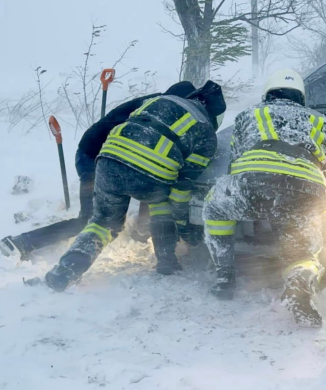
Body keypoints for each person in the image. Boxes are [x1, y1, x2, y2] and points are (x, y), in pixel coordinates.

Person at [44, 80, 226, 291]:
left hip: (107, 162)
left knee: (103, 223)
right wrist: (184, 226)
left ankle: (67, 270)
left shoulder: (157, 101)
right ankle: (167, 261)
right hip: (150, 175)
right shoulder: (206, 133)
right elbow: (181, 189)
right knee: (161, 202)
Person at [203, 69, 326, 327]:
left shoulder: (249, 115)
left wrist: (249, 198)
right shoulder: (323, 121)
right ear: (300, 96)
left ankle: (224, 275)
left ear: (267, 94)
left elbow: (236, 162)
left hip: (254, 181)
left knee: (215, 208)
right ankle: (299, 284)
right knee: (304, 252)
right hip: (306, 189)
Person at [0, 82, 197, 260]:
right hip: (94, 158)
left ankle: (140, 232)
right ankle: (21, 242)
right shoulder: (158, 110)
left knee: (150, 181)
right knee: (90, 220)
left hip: (117, 159)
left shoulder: (159, 106)